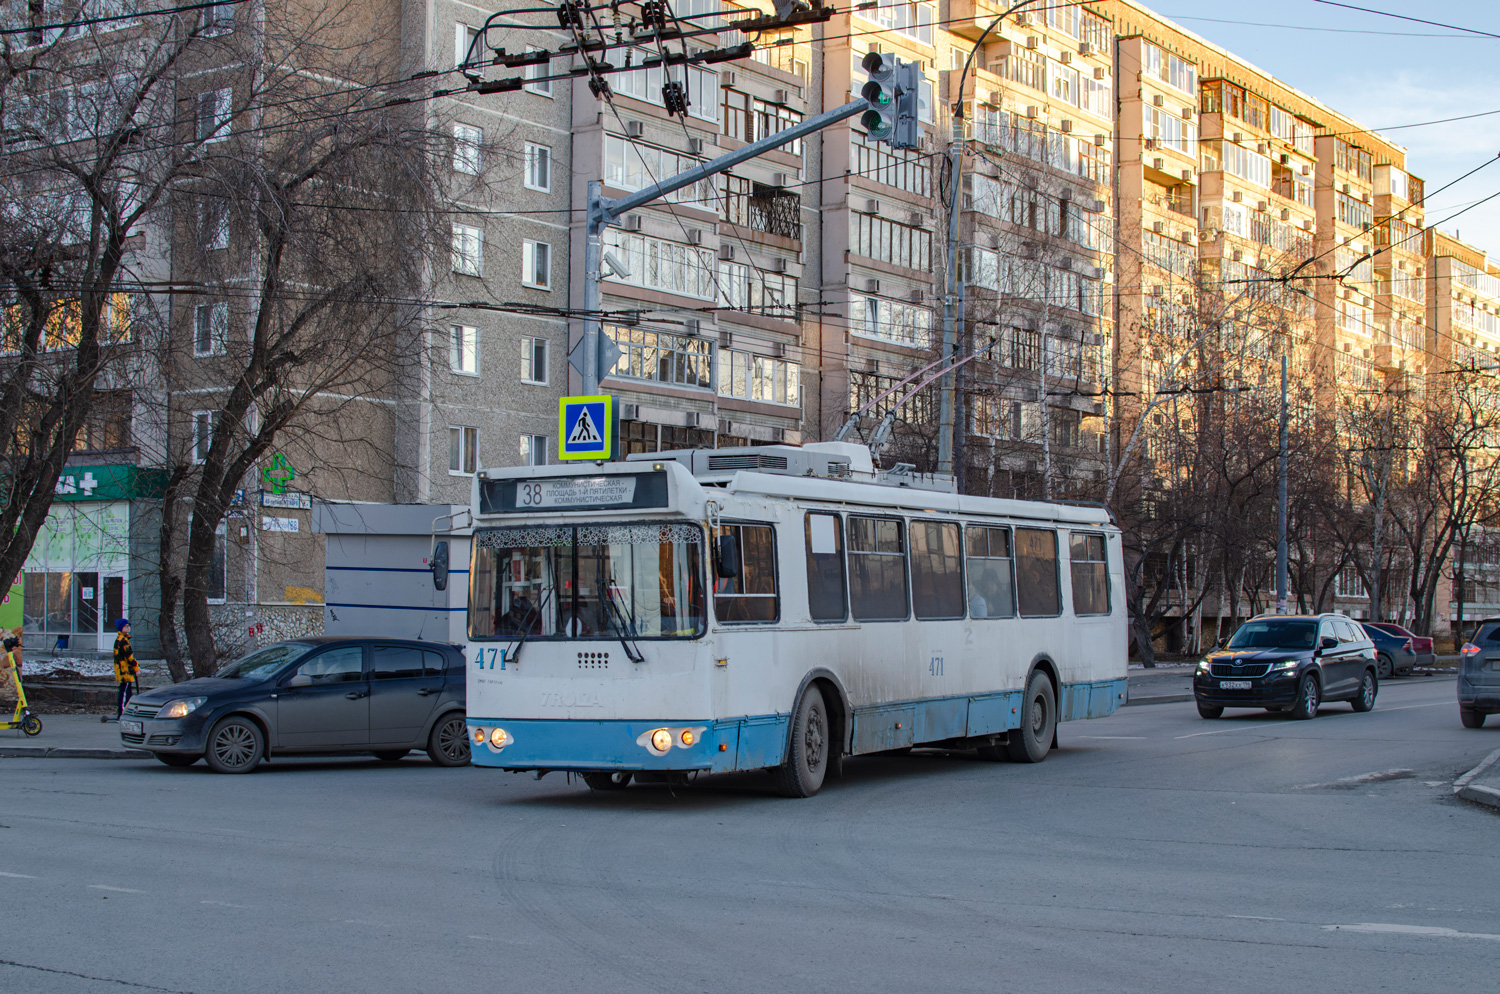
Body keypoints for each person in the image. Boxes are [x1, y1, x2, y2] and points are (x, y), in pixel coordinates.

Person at [110, 618, 137, 722]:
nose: (128, 627)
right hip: (124, 671)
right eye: (126, 626)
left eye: (128, 625)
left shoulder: (120, 639)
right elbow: (129, 657)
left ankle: (124, 713)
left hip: (123, 670)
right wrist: (136, 667)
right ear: (121, 628)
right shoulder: (123, 641)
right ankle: (122, 714)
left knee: (125, 691)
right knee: (125, 692)